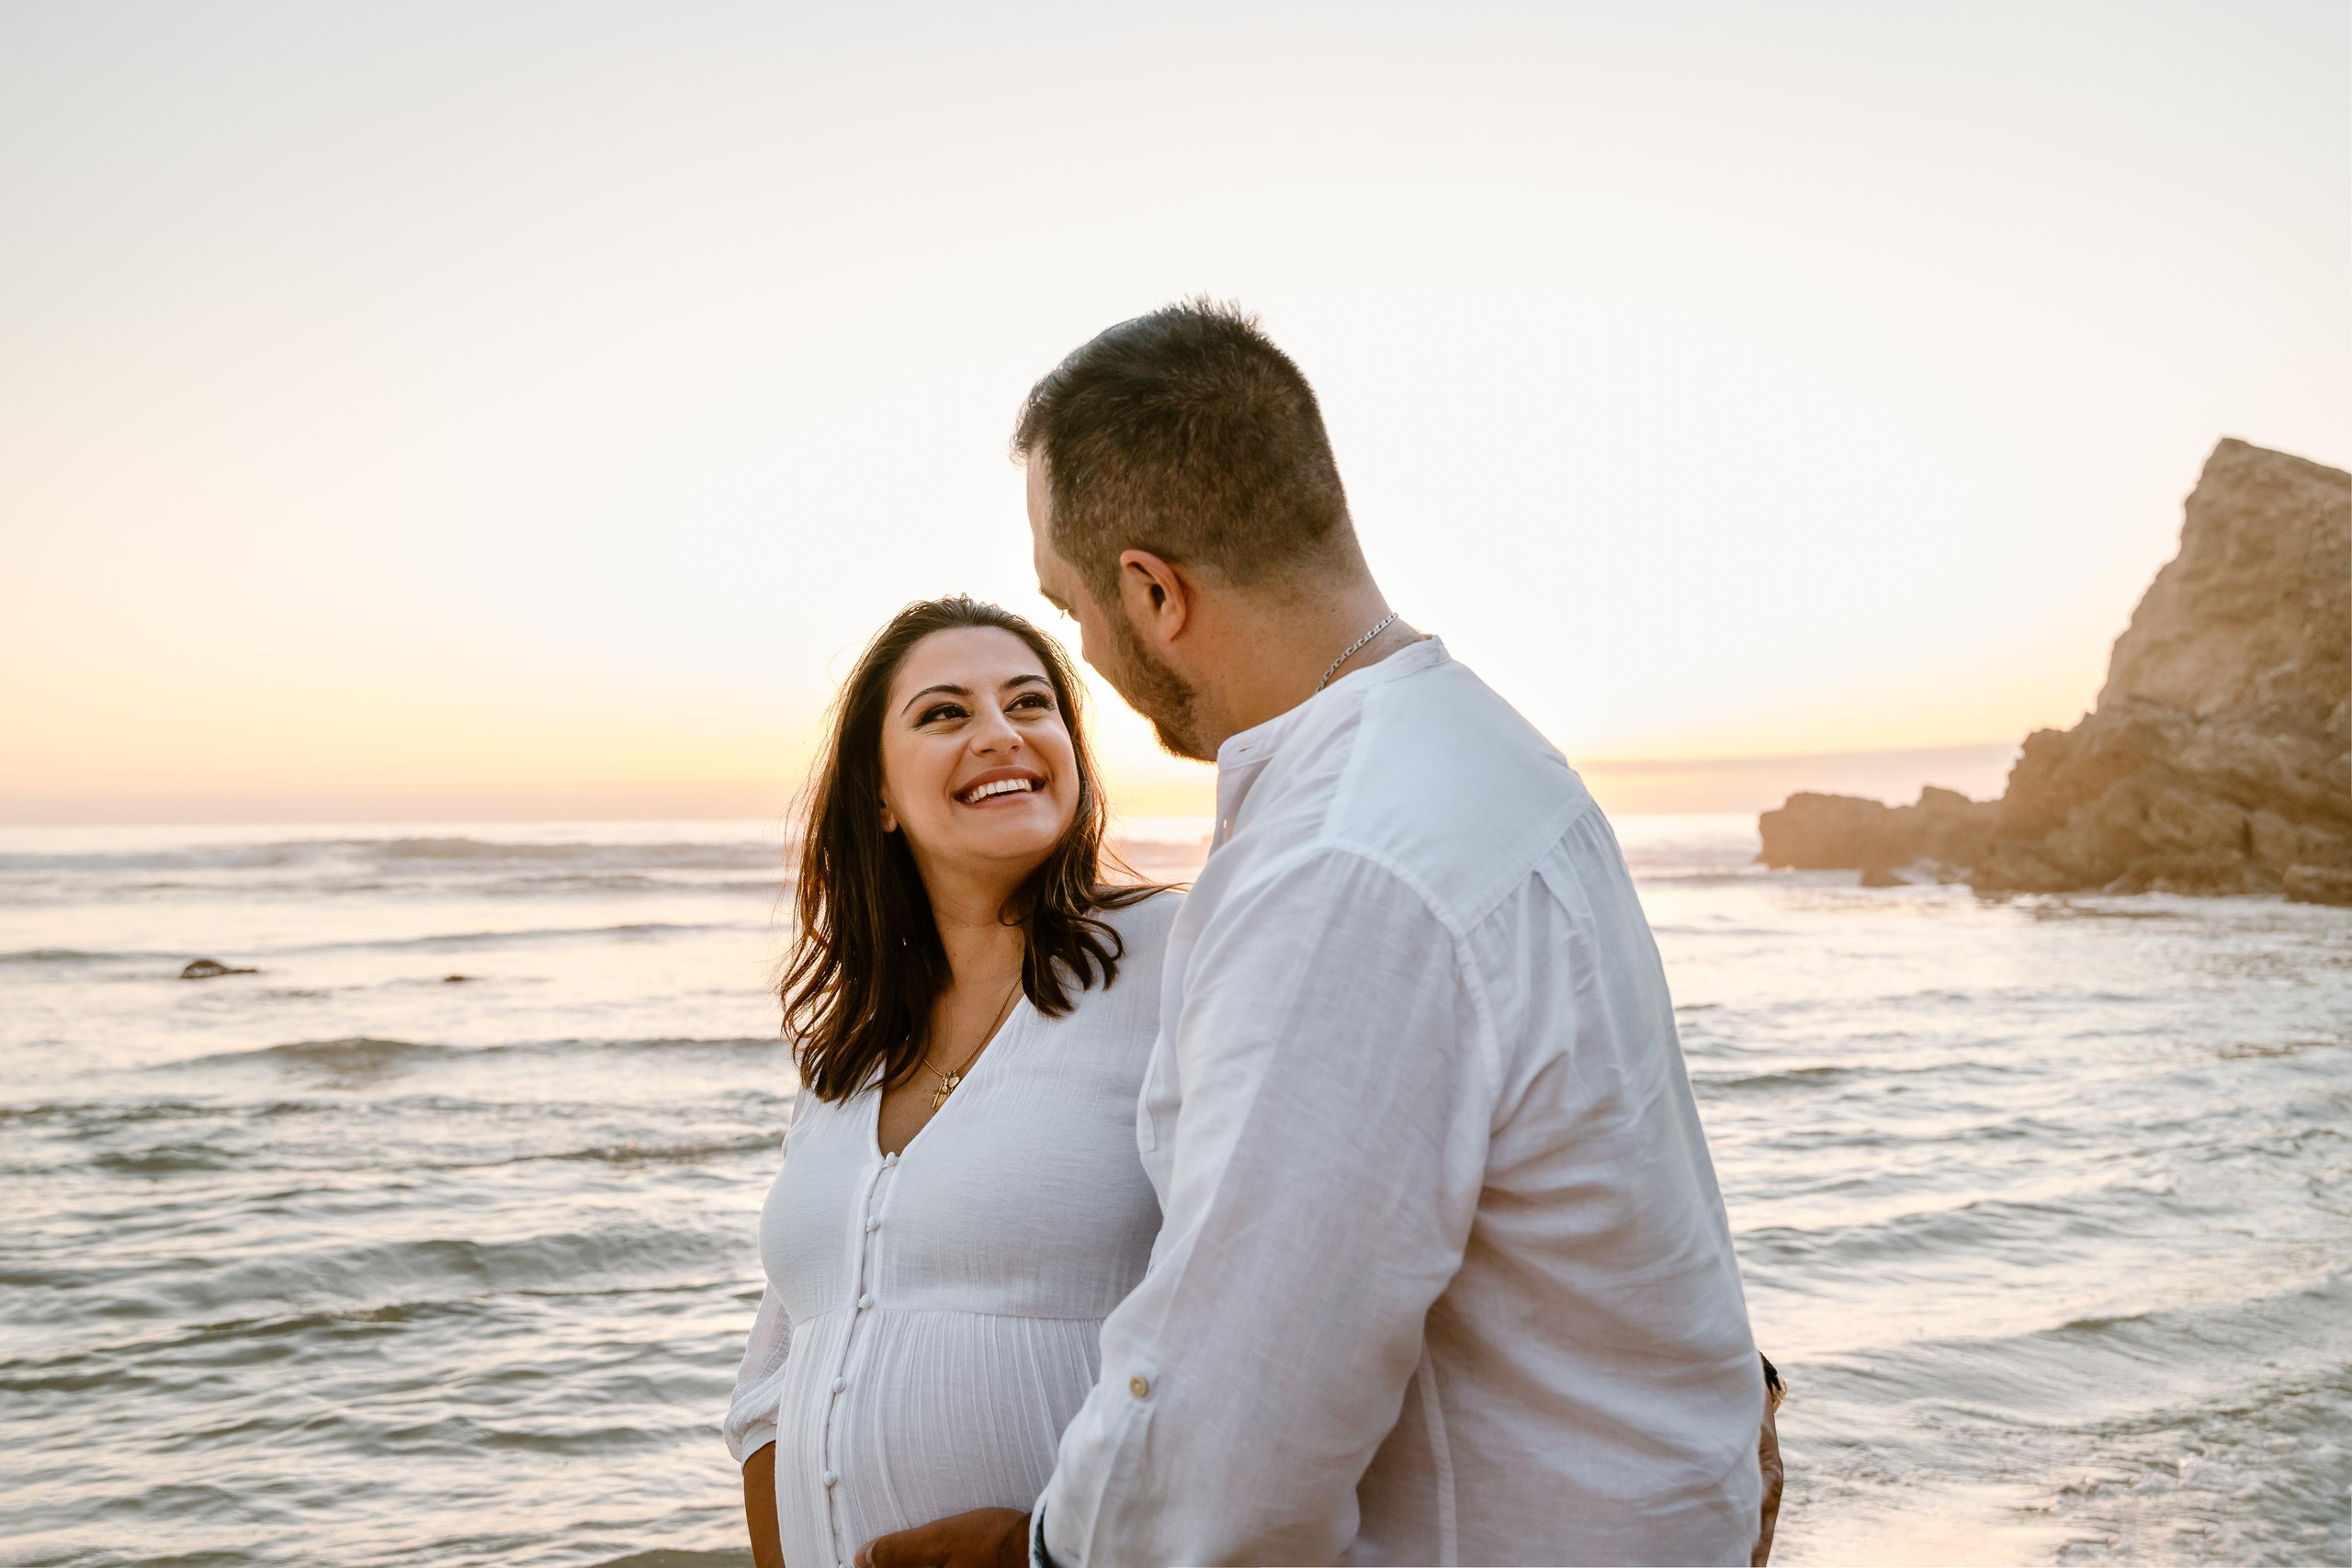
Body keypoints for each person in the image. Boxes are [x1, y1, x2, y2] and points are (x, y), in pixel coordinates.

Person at [859, 302, 1773, 1567]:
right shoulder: (1494, 758)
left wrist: (1035, 1556)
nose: (1086, 651)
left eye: (1071, 611)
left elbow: (1245, 1410)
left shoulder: (1337, 865)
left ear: (1153, 591)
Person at [724, 595, 1179, 1568]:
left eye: (1029, 703)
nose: (1000, 733)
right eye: (945, 713)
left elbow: (1264, 1309)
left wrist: (1052, 1548)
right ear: (879, 797)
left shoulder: (1179, 954)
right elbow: (773, 1383)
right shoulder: (847, 1051)